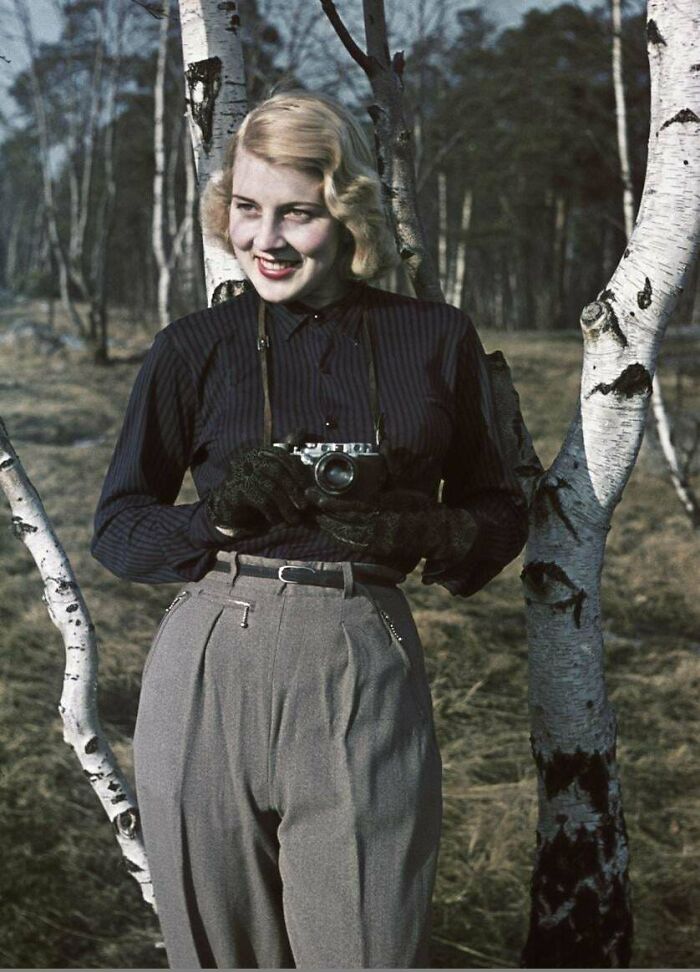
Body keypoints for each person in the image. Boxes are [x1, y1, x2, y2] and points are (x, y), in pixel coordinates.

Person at [91, 89, 528, 970]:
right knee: (220, 955)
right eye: (248, 210)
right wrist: (215, 517)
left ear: (350, 209)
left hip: (360, 652)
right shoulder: (194, 346)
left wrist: (429, 529)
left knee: (366, 946)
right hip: (208, 657)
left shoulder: (435, 338)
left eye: (298, 213)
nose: (267, 240)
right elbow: (118, 528)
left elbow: (501, 507)